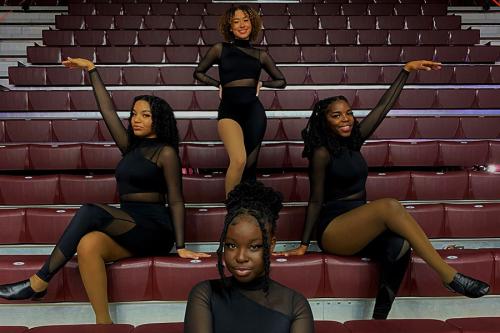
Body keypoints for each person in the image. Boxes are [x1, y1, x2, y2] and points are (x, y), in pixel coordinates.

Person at [0, 57, 209, 324]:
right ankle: (104, 322)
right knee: (88, 245)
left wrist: (181, 246)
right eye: (134, 113)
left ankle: (39, 281)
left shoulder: (165, 152)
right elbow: (107, 111)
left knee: (90, 211)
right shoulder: (130, 147)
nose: (136, 119)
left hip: (155, 227)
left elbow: (177, 200)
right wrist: (92, 71)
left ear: (159, 120)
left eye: (145, 115)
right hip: (131, 224)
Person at [276, 60, 490, 319]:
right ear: (324, 121)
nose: (345, 120)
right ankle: (448, 275)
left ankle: (379, 317)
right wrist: (303, 244)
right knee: (389, 205)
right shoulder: (321, 153)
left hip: (359, 226)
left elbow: (382, 107)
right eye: (337, 115)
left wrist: (405, 72)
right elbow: (315, 200)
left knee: (399, 246)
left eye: (348, 113)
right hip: (334, 230)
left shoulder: (354, 141)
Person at [184, 182, 314, 333]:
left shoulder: (295, 304)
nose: (240, 257)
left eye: (254, 247)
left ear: (271, 245)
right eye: (231, 245)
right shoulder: (205, 294)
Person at [193, 5, 286, 196]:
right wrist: (218, 84)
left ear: (252, 24)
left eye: (245, 20)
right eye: (236, 21)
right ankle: (232, 209)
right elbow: (198, 72)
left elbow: (282, 81)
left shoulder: (262, 55)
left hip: (254, 113)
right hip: (229, 111)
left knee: (250, 167)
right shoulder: (220, 49)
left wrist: (263, 84)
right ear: (230, 27)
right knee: (239, 160)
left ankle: (248, 210)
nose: (242, 25)